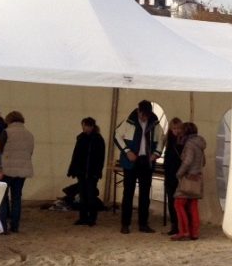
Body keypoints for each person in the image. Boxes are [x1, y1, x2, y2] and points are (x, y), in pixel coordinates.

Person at [115, 100, 161, 234]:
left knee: (145, 194)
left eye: (146, 115)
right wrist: (127, 151)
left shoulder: (155, 123)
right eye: (142, 114)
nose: (144, 117)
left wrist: (156, 154)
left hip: (146, 162)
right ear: (138, 111)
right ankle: (125, 224)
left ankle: (143, 224)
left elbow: (161, 139)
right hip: (130, 162)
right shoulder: (129, 121)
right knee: (128, 193)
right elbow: (117, 135)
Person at [0, 111, 35, 233]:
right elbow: (30, 153)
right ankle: (15, 226)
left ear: (8, 120)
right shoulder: (30, 135)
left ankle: (3, 227)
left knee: (3, 198)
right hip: (23, 169)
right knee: (16, 198)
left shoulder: (6, 132)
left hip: (6, 169)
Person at [171, 122, 206, 241]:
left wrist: (179, 173)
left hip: (188, 178)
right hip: (197, 178)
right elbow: (203, 162)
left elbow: (187, 161)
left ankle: (184, 231)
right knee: (193, 205)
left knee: (178, 204)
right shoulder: (200, 143)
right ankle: (194, 233)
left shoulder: (190, 144)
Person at [68, 117, 106, 227]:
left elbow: (100, 158)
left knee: (91, 196)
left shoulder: (98, 140)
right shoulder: (81, 138)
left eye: (84, 126)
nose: (83, 128)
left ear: (90, 126)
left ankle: (92, 218)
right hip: (81, 172)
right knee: (82, 196)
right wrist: (73, 169)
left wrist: (97, 172)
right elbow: (76, 155)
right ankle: (83, 217)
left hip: (92, 173)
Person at [161, 117, 185, 236]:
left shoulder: (184, 141)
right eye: (174, 128)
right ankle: (174, 225)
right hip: (170, 174)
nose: (176, 130)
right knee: (171, 201)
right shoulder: (169, 140)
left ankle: (181, 226)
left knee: (179, 201)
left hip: (180, 174)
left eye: (178, 128)